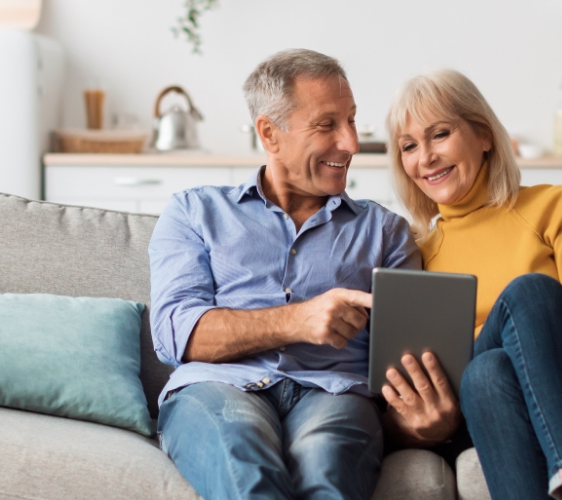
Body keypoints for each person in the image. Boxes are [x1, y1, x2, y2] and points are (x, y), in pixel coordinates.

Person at [148, 49, 421, 500]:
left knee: (327, 467)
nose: (351, 143)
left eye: (352, 121)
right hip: (219, 386)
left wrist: (431, 421)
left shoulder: (385, 232)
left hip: (333, 395)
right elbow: (176, 334)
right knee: (242, 457)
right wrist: (300, 320)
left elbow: (409, 364)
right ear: (270, 134)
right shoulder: (194, 212)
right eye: (327, 124)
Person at [380, 69, 562, 500]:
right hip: (484, 402)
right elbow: (424, 377)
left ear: (484, 135)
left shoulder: (555, 205)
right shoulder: (415, 253)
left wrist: (526, 331)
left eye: (439, 134)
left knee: (529, 294)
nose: (426, 157)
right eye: (409, 146)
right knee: (487, 375)